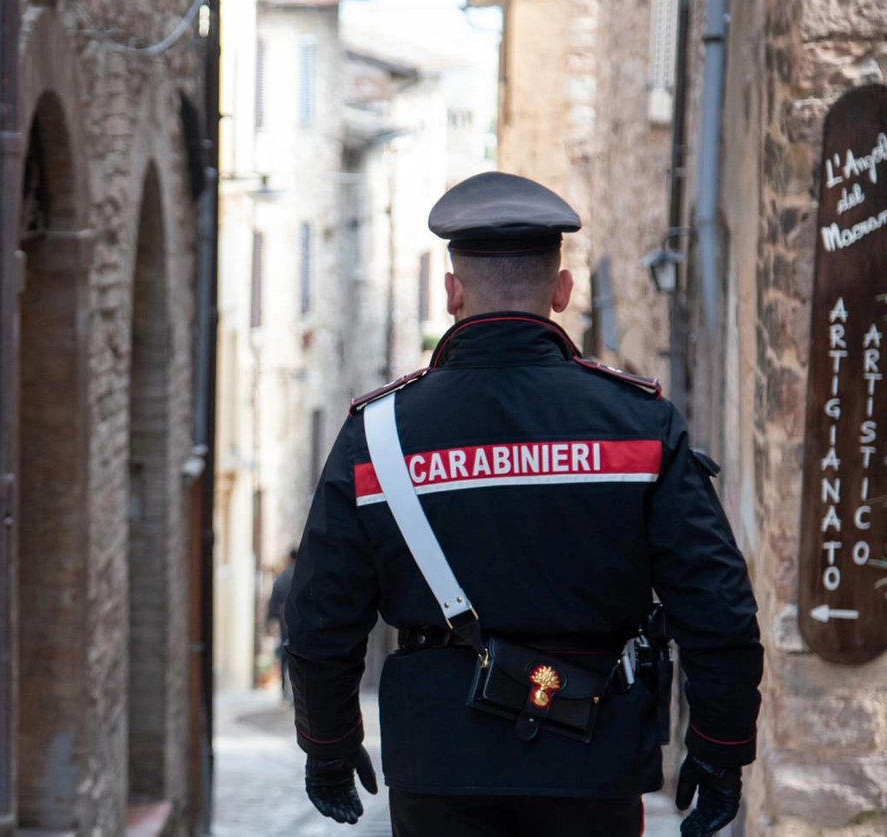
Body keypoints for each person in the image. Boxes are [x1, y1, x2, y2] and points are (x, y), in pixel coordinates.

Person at [284, 171, 762, 837]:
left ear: (451, 291)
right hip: (593, 755)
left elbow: (319, 618)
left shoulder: (380, 436)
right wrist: (720, 747)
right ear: (562, 291)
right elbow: (718, 607)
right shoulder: (638, 424)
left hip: (439, 763)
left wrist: (329, 742)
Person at [266, 549, 298, 700]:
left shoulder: (282, 578)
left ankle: (284, 689)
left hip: (285, 622)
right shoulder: (303, 575)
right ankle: (295, 691)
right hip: (300, 624)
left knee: (285, 655)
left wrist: (270, 620)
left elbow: (273, 601)